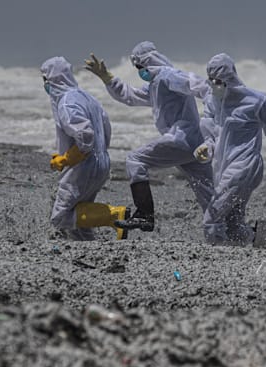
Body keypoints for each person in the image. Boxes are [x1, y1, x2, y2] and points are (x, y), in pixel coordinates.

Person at [84, 41, 213, 233]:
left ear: (147, 62)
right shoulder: (155, 85)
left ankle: (145, 214)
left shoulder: (168, 76)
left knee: (135, 160)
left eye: (138, 67)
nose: (139, 71)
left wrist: (215, 112)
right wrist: (106, 77)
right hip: (193, 144)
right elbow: (131, 96)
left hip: (181, 139)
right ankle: (233, 228)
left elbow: (201, 86)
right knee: (207, 192)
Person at [193, 53, 266, 246]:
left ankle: (214, 255)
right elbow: (212, 134)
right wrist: (205, 148)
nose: (213, 84)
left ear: (230, 78)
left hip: (245, 166)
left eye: (218, 80)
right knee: (232, 222)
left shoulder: (256, 100)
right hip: (222, 167)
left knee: (212, 217)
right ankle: (263, 240)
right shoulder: (213, 101)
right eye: (210, 80)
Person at [41, 56, 129, 241]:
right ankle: (88, 244)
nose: (45, 85)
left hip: (83, 166)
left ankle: (115, 216)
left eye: (45, 80)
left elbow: (85, 135)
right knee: (81, 212)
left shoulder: (66, 102)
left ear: (52, 80)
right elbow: (106, 129)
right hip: (101, 161)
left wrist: (67, 159)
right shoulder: (89, 98)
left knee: (62, 217)